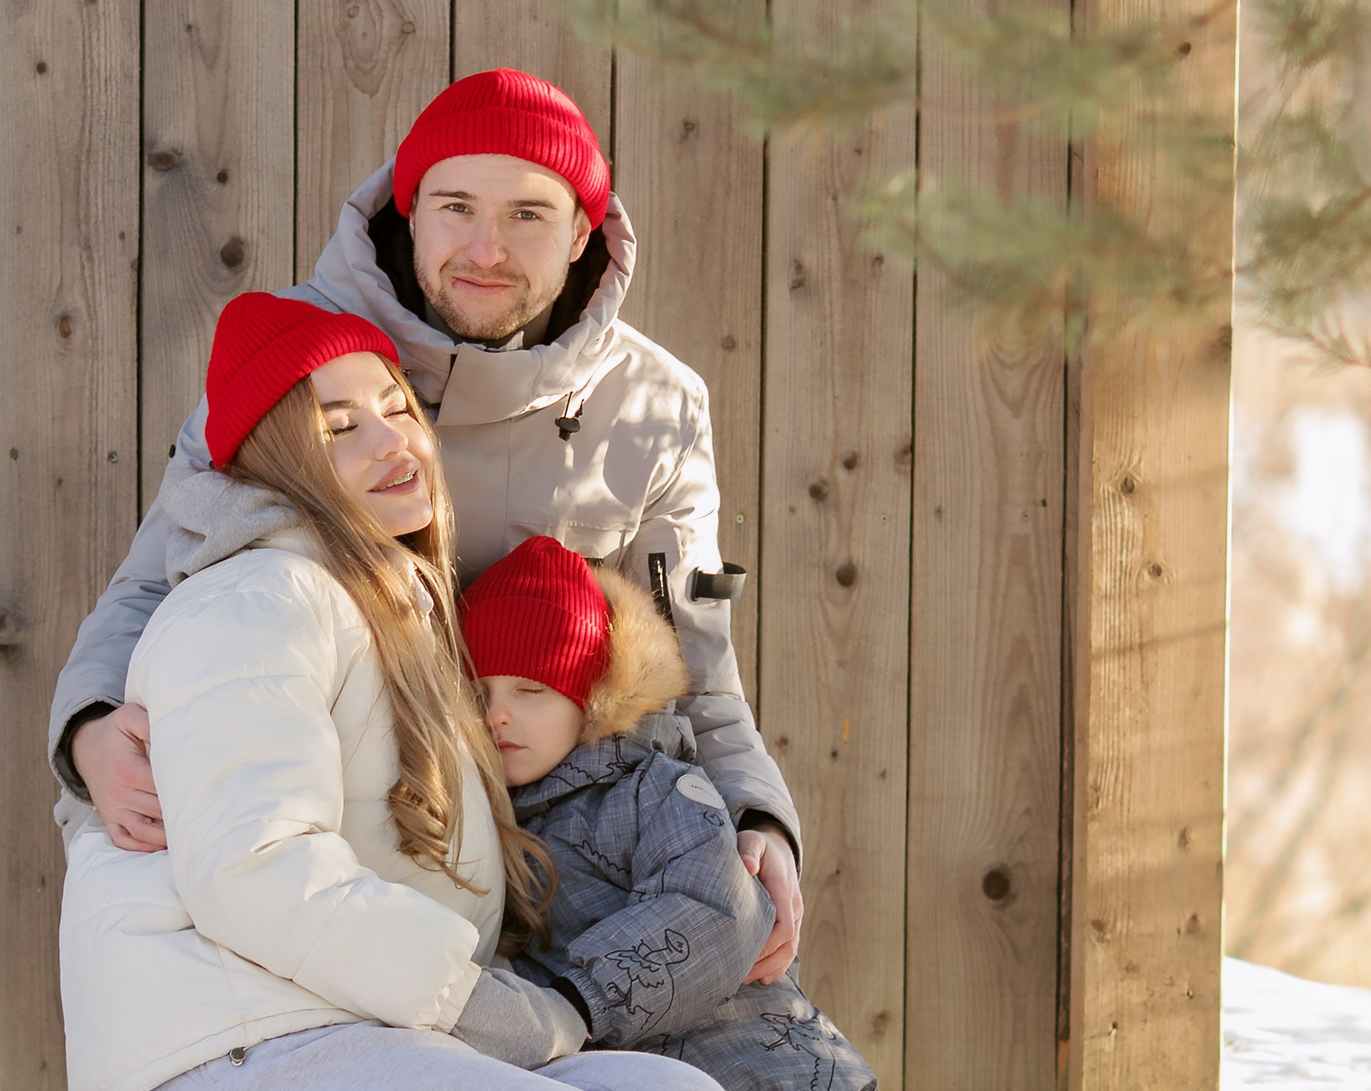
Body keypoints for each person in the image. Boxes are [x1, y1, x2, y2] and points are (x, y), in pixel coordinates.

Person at [56, 292, 785, 1091]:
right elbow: (252, 868)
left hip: (329, 1031)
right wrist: (468, 1000)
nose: (391, 441)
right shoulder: (259, 599)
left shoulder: (389, 602)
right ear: (279, 460)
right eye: (338, 426)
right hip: (218, 1058)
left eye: (397, 408)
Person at [50, 68, 808, 981]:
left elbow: (695, 663)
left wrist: (760, 819)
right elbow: (159, 575)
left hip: (561, 820)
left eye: (528, 213)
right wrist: (90, 725)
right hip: (338, 787)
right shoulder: (297, 358)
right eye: (456, 206)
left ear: (581, 233)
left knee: (739, 1018)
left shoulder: (656, 405)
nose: (486, 248)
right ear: (410, 212)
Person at [460, 535, 1019, 1091]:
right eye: (481, 692)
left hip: (784, 1082)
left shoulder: (659, 790)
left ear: (594, 695)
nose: (500, 715)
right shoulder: (477, 828)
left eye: (531, 690)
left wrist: (569, 999)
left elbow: (719, 908)